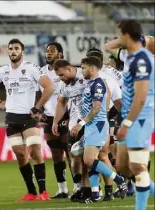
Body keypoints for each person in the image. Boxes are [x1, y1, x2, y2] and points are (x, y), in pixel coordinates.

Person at [0, 38, 55, 201]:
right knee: (20, 156)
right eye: (10, 49)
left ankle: (43, 191)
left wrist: (37, 107)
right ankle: (31, 193)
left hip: (28, 118)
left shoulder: (31, 68)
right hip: (11, 118)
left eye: (16, 48)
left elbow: (50, 87)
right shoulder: (3, 71)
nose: (13, 51)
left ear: (22, 51)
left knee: (35, 152)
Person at [70, 56, 127, 203]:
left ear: (93, 68)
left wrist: (80, 124)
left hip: (97, 125)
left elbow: (96, 109)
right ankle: (95, 194)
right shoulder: (91, 84)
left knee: (89, 159)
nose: (81, 70)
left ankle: (120, 181)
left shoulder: (99, 85)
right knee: (90, 160)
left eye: (83, 67)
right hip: (91, 126)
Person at [116, 20, 154, 210]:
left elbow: (140, 97)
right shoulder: (130, 57)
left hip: (140, 117)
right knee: (123, 167)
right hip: (129, 116)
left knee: (138, 167)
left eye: (119, 34)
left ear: (126, 34)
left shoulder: (142, 59)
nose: (117, 38)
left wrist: (126, 123)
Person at [52, 59, 91, 201]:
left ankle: (98, 187)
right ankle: (79, 186)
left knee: (91, 158)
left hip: (89, 123)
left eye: (62, 75)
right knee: (74, 155)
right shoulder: (64, 85)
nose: (60, 79)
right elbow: (61, 102)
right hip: (73, 126)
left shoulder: (86, 74)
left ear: (70, 69)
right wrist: (55, 121)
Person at [38, 42, 70, 198]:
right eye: (47, 51)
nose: (48, 53)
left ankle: (79, 186)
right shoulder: (41, 73)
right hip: (49, 117)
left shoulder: (67, 70)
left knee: (71, 153)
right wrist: (40, 110)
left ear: (60, 54)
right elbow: (39, 94)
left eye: (52, 51)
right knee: (56, 153)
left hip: (67, 115)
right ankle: (62, 188)